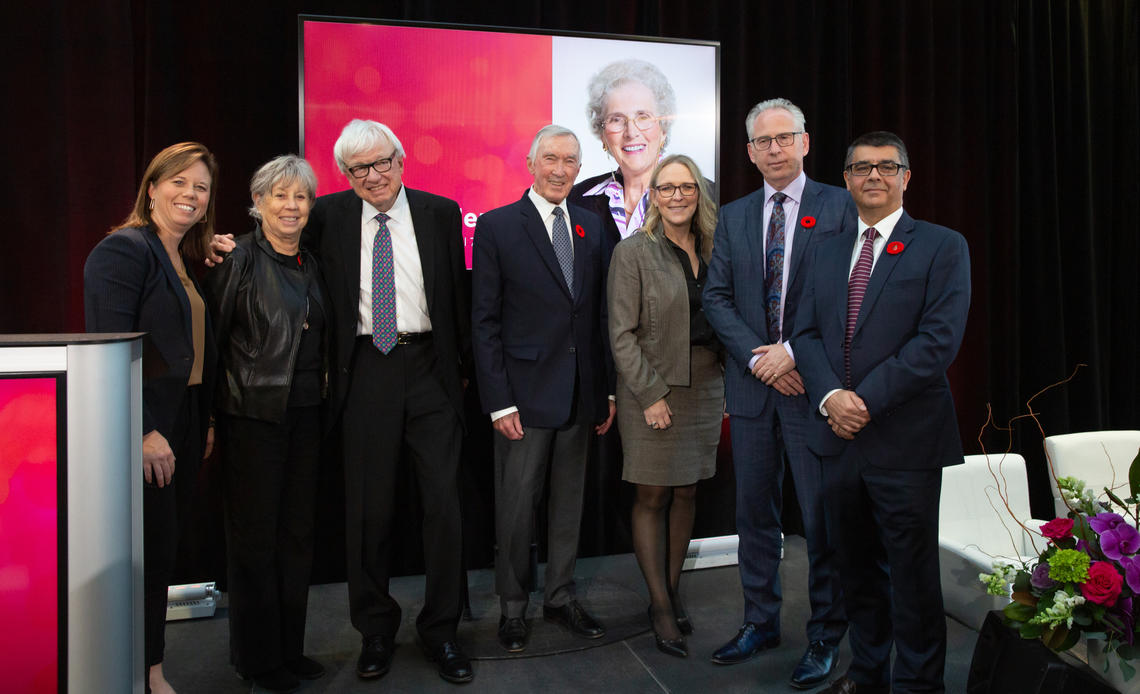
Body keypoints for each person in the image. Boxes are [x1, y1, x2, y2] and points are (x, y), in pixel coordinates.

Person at [793, 131, 971, 694]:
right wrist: (829, 399)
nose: (874, 176)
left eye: (886, 167)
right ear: (845, 179)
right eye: (861, 167)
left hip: (905, 440)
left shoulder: (943, 246)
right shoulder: (822, 248)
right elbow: (805, 333)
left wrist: (863, 401)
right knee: (857, 572)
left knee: (913, 577)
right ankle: (868, 674)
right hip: (836, 438)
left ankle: (918, 683)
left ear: (906, 178)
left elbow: (937, 343)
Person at [303, 120, 473, 684]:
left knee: (443, 507)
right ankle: (375, 630)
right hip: (365, 370)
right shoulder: (324, 216)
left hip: (430, 370)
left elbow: (459, 299)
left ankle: (442, 630)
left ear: (402, 161)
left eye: (383, 163)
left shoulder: (442, 213)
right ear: (344, 175)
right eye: (360, 168)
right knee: (369, 510)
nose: (375, 176)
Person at [703, 98, 850, 689]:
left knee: (821, 518)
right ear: (749, 152)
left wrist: (793, 352)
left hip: (816, 388)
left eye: (784, 138)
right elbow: (715, 298)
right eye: (762, 142)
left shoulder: (841, 208)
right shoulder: (735, 216)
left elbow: (848, 295)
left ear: (806, 143)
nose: (774, 149)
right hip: (754, 388)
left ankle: (826, 635)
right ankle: (759, 621)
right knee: (753, 515)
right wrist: (763, 360)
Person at [471, 124, 615, 654]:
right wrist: (498, 401)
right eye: (550, 159)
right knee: (516, 506)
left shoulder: (591, 227)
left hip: (581, 394)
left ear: (580, 168)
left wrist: (608, 392)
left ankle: (559, 596)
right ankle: (513, 607)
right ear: (531, 163)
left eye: (570, 161)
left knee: (568, 505)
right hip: (522, 398)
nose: (560, 169)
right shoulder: (497, 226)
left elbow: (598, 314)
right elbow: (483, 323)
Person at [84, 142, 219, 694]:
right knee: (147, 555)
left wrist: (202, 420)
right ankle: (143, 673)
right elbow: (107, 351)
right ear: (153, 186)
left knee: (163, 550)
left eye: (201, 187)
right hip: (147, 427)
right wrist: (141, 430)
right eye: (179, 182)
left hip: (183, 420)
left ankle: (146, 667)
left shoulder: (180, 254)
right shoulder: (124, 250)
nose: (190, 194)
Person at [203, 155, 326, 693]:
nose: (291, 206)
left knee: (296, 537)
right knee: (255, 543)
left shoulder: (312, 264)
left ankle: (289, 649)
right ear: (257, 205)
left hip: (305, 418)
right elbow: (212, 346)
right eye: (279, 196)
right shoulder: (240, 261)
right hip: (252, 418)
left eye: (300, 196)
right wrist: (209, 416)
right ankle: (256, 659)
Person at [607, 154, 722, 658]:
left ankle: (672, 590)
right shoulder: (632, 252)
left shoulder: (716, 248)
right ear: (653, 195)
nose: (677, 196)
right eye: (667, 188)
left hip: (706, 384)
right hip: (651, 387)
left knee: (688, 493)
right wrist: (650, 394)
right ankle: (658, 604)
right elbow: (620, 334)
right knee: (653, 495)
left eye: (686, 187)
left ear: (699, 193)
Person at [571, 59, 676, 252]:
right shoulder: (575, 200)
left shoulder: (700, 196)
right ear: (602, 134)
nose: (631, 132)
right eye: (616, 119)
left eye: (643, 117)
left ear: (663, 129)